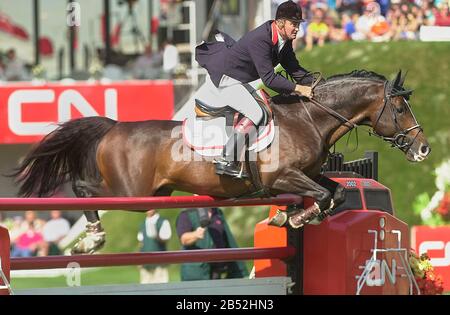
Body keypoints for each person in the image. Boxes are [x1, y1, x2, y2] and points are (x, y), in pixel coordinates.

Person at [195, 0, 315, 179]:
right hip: (225, 79)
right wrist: (298, 89)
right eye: (294, 24)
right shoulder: (261, 38)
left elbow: (293, 68)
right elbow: (268, 79)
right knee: (256, 113)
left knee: (266, 108)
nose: (297, 28)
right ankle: (225, 159)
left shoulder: (283, 39)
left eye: (298, 24)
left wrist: (317, 84)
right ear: (281, 23)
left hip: (239, 79)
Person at [176, 207, 248, 281]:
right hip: (196, 273)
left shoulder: (217, 212)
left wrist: (239, 270)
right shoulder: (187, 213)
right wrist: (196, 234)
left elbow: (228, 240)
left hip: (216, 272)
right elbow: (184, 239)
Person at [137, 209, 172, 284]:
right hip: (145, 262)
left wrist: (156, 236)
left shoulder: (162, 222)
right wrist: (139, 260)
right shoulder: (143, 223)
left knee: (161, 288)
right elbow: (141, 243)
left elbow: (165, 238)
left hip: (159, 262)